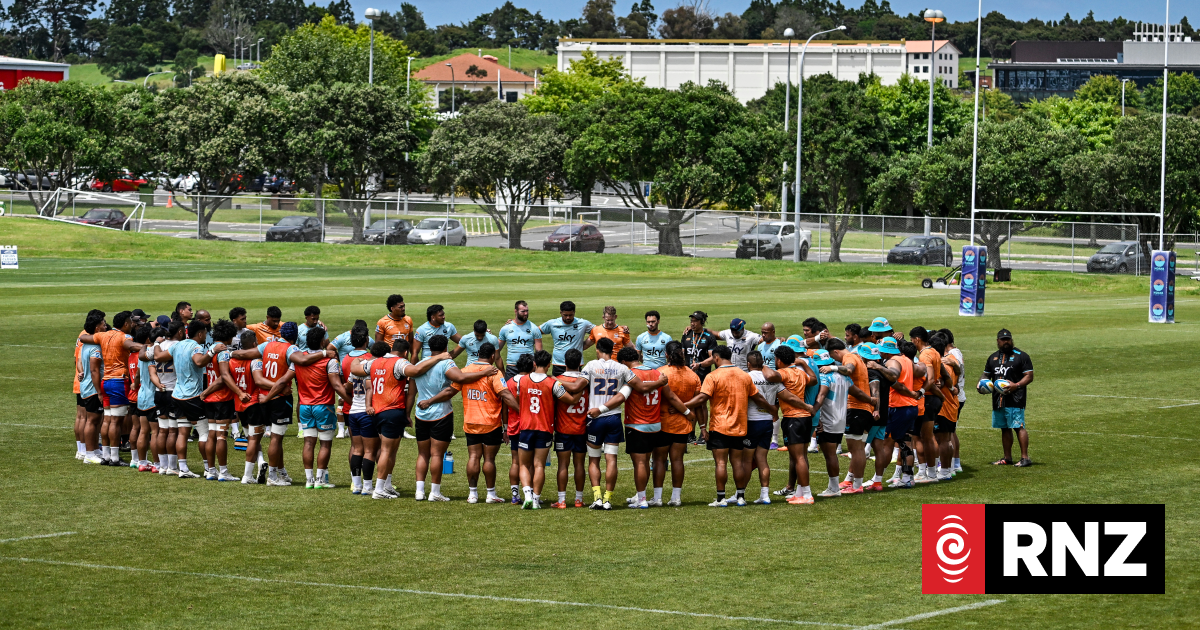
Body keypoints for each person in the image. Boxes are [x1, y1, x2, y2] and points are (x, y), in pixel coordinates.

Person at [230, 322, 330, 486]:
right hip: (279, 399)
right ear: (295, 336)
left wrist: (227, 352)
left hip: (263, 397)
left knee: (271, 438)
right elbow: (303, 361)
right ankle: (273, 476)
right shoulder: (291, 349)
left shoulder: (266, 345)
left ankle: (281, 473)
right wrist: (324, 353)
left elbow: (242, 355)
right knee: (276, 438)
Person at [355, 339, 454, 499]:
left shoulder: (375, 362)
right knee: (387, 450)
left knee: (391, 451)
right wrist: (438, 357)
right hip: (392, 411)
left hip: (378, 411)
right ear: (406, 352)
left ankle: (386, 485)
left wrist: (356, 360)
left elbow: (355, 369)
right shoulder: (400, 362)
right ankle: (379, 488)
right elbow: (414, 372)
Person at [684, 346, 775, 507]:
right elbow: (758, 398)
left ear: (717, 358)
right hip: (740, 427)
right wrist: (771, 410)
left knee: (720, 463)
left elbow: (701, 399)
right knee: (737, 463)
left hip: (719, 426)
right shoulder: (744, 376)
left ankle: (721, 499)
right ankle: (740, 497)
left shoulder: (713, 376)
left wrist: (682, 406)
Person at [578, 337, 662, 510]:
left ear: (597, 349)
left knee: (594, 459)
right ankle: (608, 500)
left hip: (595, 418)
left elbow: (578, 386)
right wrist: (660, 382)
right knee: (611, 460)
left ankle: (597, 498)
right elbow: (641, 387)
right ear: (613, 350)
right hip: (614, 418)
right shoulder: (622, 368)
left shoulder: (591, 365)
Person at [263, 326, 351, 489]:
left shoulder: (298, 360)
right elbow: (337, 386)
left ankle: (309, 480)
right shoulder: (330, 361)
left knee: (308, 443)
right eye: (325, 339)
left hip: (304, 407)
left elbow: (282, 381)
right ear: (321, 342)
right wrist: (349, 401)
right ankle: (320, 480)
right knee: (325, 444)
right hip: (324, 407)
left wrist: (267, 398)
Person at [411, 335, 497, 501]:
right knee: (436, 455)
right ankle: (434, 493)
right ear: (445, 348)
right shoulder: (446, 363)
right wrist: (485, 371)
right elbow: (461, 378)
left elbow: (412, 392)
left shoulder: (419, 365)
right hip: (440, 414)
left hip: (420, 413)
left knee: (422, 454)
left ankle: (419, 491)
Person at [509, 350, 583, 509]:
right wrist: (579, 393)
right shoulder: (553, 383)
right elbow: (570, 400)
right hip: (544, 428)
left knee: (523, 465)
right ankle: (536, 500)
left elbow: (517, 398)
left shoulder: (522, 380)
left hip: (526, 427)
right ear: (549, 364)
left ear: (534, 363)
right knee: (539, 465)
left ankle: (527, 494)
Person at [448, 342, 516, 504]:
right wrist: (521, 410)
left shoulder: (465, 371)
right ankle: (490, 494)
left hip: (470, 421)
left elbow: (451, 390)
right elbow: (505, 395)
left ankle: (472, 494)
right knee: (489, 459)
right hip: (490, 422)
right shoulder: (494, 372)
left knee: (473, 456)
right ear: (492, 356)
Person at [151, 321, 212, 478]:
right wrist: (212, 352)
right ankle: (209, 469)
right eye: (205, 333)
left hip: (176, 395)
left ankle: (183, 468)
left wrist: (157, 343)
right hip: (192, 395)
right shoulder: (197, 347)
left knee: (182, 433)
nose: (206, 336)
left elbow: (157, 356)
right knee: (204, 433)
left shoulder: (177, 345)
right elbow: (199, 361)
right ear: (199, 334)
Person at [86, 311, 143, 466]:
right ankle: (115, 458)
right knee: (116, 422)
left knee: (107, 420)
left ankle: (106, 456)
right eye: (131, 322)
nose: (132, 325)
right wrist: (147, 347)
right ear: (125, 324)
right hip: (119, 381)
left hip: (106, 382)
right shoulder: (125, 337)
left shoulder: (103, 335)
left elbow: (83, 337)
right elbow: (131, 346)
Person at [764, 345, 815, 503]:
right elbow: (813, 380)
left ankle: (807, 495)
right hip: (804, 418)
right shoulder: (800, 372)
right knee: (801, 456)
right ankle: (800, 492)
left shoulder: (783, 373)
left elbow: (769, 376)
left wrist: (760, 365)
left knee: (798, 457)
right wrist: (804, 365)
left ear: (779, 360)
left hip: (794, 418)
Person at [198, 319, 244, 481]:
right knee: (221, 436)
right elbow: (224, 377)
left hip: (210, 400)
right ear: (229, 335)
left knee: (211, 434)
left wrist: (206, 392)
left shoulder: (210, 349)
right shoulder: (223, 352)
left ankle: (211, 470)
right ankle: (223, 472)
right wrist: (238, 392)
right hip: (222, 398)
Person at [657, 341, 701, 506]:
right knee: (677, 460)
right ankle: (676, 497)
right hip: (683, 425)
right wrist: (686, 410)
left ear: (666, 355)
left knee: (659, 460)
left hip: (662, 422)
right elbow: (698, 401)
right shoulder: (693, 375)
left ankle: (657, 497)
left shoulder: (661, 373)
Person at [876, 337, 921, 489]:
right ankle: (908, 478)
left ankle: (877, 479)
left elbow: (894, 377)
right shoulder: (907, 360)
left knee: (887, 443)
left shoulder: (892, 361)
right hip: (911, 407)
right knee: (906, 443)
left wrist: (878, 367)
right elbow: (922, 372)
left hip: (898, 407)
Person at [985, 328, 1033, 467]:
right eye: (1003, 340)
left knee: (1018, 426)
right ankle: (1007, 458)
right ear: (998, 341)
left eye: (1008, 339)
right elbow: (986, 375)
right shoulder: (992, 357)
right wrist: (981, 385)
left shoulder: (1021, 356)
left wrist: (1016, 385)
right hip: (998, 399)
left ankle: (1025, 458)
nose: (1006, 342)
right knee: (1004, 428)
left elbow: (1029, 376)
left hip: (1015, 398)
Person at [836, 337, 878, 494]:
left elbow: (848, 370)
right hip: (863, 410)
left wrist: (833, 369)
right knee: (858, 449)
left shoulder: (849, 357)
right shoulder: (859, 360)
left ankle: (857, 486)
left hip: (856, 409)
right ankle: (853, 481)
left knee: (857, 450)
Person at [550, 349, 590, 508]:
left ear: (565, 363)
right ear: (580, 363)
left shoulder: (557, 380)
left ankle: (562, 500)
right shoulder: (585, 381)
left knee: (563, 465)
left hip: (563, 429)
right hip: (581, 428)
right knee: (579, 464)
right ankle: (579, 499)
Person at [230, 331, 270, 484]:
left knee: (251, 437)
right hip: (254, 404)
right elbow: (259, 381)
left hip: (240, 406)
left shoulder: (232, 361)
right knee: (254, 439)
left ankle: (260, 461)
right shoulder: (255, 361)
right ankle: (247, 476)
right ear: (254, 344)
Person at [339, 323, 375, 494]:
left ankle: (356, 484)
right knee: (371, 450)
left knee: (356, 448)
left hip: (351, 409)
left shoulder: (346, 359)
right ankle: (372, 485)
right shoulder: (370, 359)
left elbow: (346, 386)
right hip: (367, 410)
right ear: (367, 340)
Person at [909, 327, 946, 484]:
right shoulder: (935, 352)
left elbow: (930, 379)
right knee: (920, 436)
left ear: (917, 339)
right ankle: (924, 471)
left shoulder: (925, 355)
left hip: (928, 400)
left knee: (927, 437)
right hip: (932, 398)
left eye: (912, 340)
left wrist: (921, 392)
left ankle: (930, 474)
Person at [746, 351, 781, 504]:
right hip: (768, 421)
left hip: (752, 421)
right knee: (762, 459)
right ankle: (764, 495)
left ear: (748, 364)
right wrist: (774, 409)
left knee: (746, 461)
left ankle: (739, 493)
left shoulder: (747, 377)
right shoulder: (772, 378)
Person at [148, 321, 182, 474]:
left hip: (159, 391)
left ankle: (162, 466)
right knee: (173, 431)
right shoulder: (178, 346)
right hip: (173, 390)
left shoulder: (158, 345)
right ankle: (172, 467)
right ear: (179, 332)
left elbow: (145, 356)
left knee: (162, 430)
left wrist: (155, 343)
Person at [680, 310, 717, 445]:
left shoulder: (709, 337)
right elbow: (683, 354)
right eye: (691, 321)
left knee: (701, 404)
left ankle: (703, 433)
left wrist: (700, 364)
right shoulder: (687, 334)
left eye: (695, 321)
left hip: (702, 375)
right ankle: (690, 433)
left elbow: (713, 358)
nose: (692, 323)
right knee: (689, 402)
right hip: (688, 375)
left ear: (702, 322)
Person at [504, 353, 535, 503]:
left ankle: (515, 495)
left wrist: (504, 427)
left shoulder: (509, 382)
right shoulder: (532, 382)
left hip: (513, 425)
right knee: (532, 461)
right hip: (530, 425)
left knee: (516, 461)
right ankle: (532, 494)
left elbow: (504, 406)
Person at [78, 312, 106, 465]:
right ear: (97, 328)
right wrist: (99, 392)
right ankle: (89, 453)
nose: (105, 325)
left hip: (87, 386)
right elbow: (95, 371)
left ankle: (94, 450)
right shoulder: (95, 347)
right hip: (93, 388)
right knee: (92, 421)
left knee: (95, 420)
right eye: (103, 323)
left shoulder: (86, 344)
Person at [540, 301, 595, 376]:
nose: (568, 317)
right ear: (560, 312)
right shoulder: (552, 323)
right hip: (558, 364)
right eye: (565, 315)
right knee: (557, 387)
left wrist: (586, 344)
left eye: (571, 315)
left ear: (574, 312)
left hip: (576, 363)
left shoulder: (583, 323)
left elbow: (598, 331)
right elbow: (536, 332)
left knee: (575, 387)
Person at [932, 333, 961, 481]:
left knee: (942, 440)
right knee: (948, 439)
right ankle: (949, 469)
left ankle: (944, 471)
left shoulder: (942, 365)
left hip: (943, 406)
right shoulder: (953, 360)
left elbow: (940, 383)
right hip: (952, 405)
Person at [130, 323, 157, 471]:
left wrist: (135, 384)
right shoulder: (153, 352)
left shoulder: (142, 352)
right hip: (153, 395)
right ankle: (158, 464)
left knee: (143, 431)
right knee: (156, 432)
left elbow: (138, 374)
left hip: (141, 396)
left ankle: (142, 463)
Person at [939, 327, 965, 475]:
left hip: (954, 395)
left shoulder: (953, 354)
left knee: (949, 433)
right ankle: (955, 463)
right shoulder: (955, 352)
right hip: (956, 394)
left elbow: (957, 370)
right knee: (950, 432)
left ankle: (953, 464)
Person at [496, 300, 543, 378]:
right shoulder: (506, 328)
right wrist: (502, 371)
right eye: (523, 311)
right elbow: (496, 350)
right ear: (515, 311)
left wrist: (538, 370)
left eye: (527, 311)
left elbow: (539, 352)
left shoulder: (534, 328)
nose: (526, 313)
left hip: (529, 367)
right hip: (512, 367)